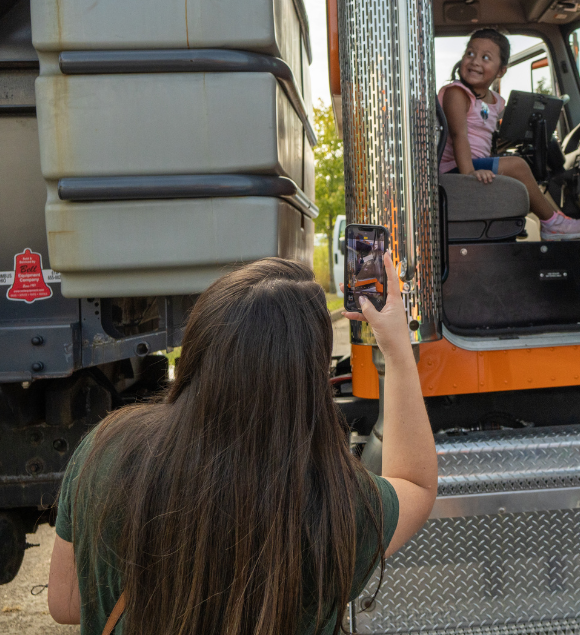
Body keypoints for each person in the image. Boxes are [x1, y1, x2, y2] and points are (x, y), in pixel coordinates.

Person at [48, 253, 437, 635]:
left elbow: (65, 604)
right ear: (308, 381)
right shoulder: (337, 504)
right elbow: (416, 485)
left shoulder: (105, 450)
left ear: (199, 345)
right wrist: (398, 350)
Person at [439, 28, 580, 241]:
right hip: (454, 168)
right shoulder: (456, 93)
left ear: (501, 71)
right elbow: (459, 135)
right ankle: (552, 224)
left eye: (485, 57)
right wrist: (469, 173)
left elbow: (492, 133)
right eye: (470, 53)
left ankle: (557, 220)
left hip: (473, 163)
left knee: (517, 162)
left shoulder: (494, 100)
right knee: (517, 165)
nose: (475, 61)